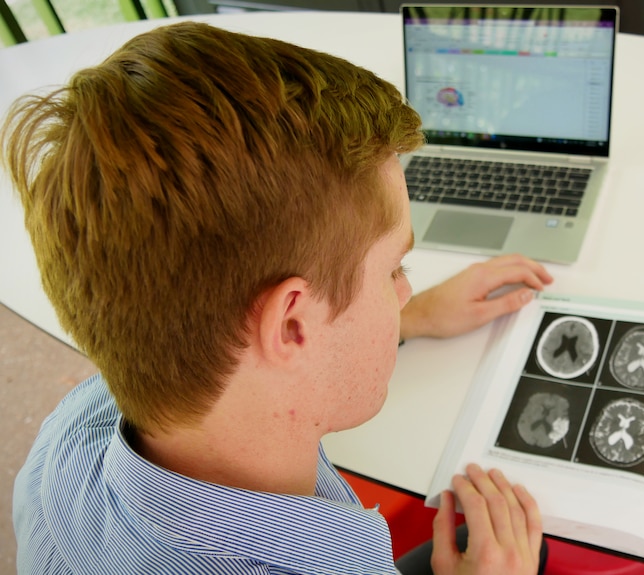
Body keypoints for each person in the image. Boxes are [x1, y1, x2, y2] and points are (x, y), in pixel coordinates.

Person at [3, 21, 554, 574]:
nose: (403, 289)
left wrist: (410, 318)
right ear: (293, 326)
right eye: (394, 271)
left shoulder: (69, 438)